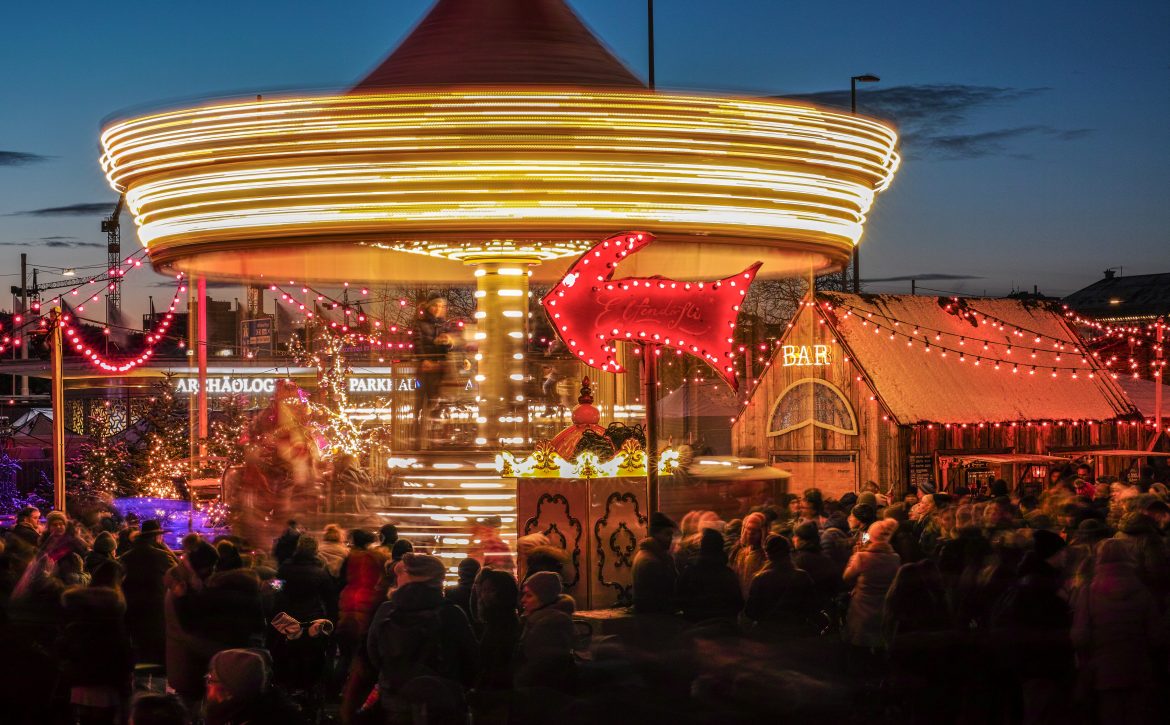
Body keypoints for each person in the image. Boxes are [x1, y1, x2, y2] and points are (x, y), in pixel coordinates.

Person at [367, 552, 476, 724]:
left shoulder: (387, 611)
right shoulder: (451, 612)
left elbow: (373, 653)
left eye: (401, 573)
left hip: (396, 696)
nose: (397, 579)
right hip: (441, 699)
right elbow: (469, 658)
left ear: (414, 577)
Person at [1071, 538, 1162, 725]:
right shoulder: (1142, 590)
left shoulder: (1088, 592)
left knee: (1110, 715)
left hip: (1103, 668)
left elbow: (1080, 636)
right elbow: (1156, 635)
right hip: (1137, 666)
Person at [58, 577, 134, 725]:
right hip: (107, 686)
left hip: (80, 684)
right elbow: (125, 657)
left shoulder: (75, 627)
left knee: (85, 718)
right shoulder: (114, 629)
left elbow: (62, 651)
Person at [337, 529, 388, 725]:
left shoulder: (349, 561)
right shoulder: (378, 561)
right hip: (365, 617)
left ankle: (342, 696)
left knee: (347, 657)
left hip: (348, 613)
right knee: (364, 663)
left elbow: (340, 583)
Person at [121, 519, 178, 666]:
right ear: (156, 537)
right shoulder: (162, 556)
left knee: (138, 646)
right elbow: (177, 573)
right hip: (156, 606)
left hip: (131, 605)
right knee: (156, 648)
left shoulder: (126, 557)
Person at [202, 648, 305, 725]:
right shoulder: (236, 714)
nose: (208, 685)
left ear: (229, 690)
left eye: (211, 680)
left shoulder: (259, 719)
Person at [842, 518, 901, 651]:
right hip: (884, 604)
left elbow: (846, 577)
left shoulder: (862, 557)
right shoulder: (895, 557)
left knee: (859, 641)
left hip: (862, 605)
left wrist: (855, 556)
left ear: (871, 536)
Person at [742, 535, 817, 636]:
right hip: (797, 633)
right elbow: (812, 606)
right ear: (788, 551)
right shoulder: (802, 576)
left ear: (767, 554)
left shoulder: (760, 579)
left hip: (767, 633)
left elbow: (751, 612)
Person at [516, 571, 576, 691]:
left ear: (543, 598)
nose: (523, 600)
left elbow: (540, 668)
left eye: (529, 595)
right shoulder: (535, 620)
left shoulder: (550, 624)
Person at [674, 528, 743, 621]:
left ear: (702, 546)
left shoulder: (690, 572)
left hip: (695, 625)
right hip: (722, 626)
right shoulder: (728, 574)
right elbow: (737, 603)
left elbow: (680, 598)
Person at [632, 512, 678, 614]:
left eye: (671, 534)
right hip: (655, 618)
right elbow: (662, 595)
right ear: (656, 534)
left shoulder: (650, 555)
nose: (671, 538)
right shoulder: (651, 561)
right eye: (667, 534)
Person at [730, 511, 768, 596]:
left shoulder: (766, 555)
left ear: (762, 531)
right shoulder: (740, 552)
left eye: (755, 530)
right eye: (748, 529)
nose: (750, 533)